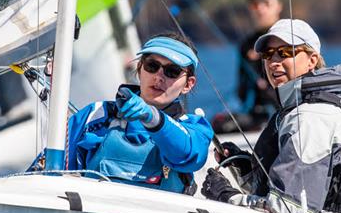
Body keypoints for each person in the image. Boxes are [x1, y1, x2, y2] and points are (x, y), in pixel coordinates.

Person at [202, 19, 341, 213]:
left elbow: (289, 212)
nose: (273, 62)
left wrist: (226, 196)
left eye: (284, 53)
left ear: (312, 60)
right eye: (268, 54)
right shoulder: (300, 110)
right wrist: (246, 169)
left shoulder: (312, 117)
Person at [32, 33, 213, 194]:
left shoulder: (195, 128)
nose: (159, 77)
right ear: (140, 70)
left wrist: (151, 117)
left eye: (172, 71)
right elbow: (42, 174)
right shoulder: (95, 115)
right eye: (152, 66)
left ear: (188, 84)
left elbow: (188, 154)